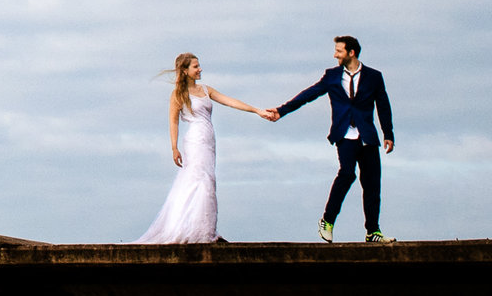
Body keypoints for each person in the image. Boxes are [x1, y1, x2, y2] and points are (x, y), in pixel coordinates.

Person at [132, 52, 276, 243]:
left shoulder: (205, 89)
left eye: (199, 66)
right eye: (195, 66)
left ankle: (203, 229)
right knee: (201, 180)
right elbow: (173, 122)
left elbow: (229, 101)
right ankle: (200, 232)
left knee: (206, 180)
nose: (200, 69)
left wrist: (257, 110)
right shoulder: (178, 94)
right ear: (185, 71)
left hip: (209, 139)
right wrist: (174, 147)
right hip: (195, 140)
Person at [266, 35, 395, 243]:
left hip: (367, 136)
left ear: (351, 53)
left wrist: (388, 134)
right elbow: (309, 94)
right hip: (344, 134)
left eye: (339, 51)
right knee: (347, 173)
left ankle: (373, 231)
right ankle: (327, 220)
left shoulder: (374, 76)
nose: (335, 55)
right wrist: (282, 111)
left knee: (372, 184)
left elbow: (383, 105)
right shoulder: (332, 76)